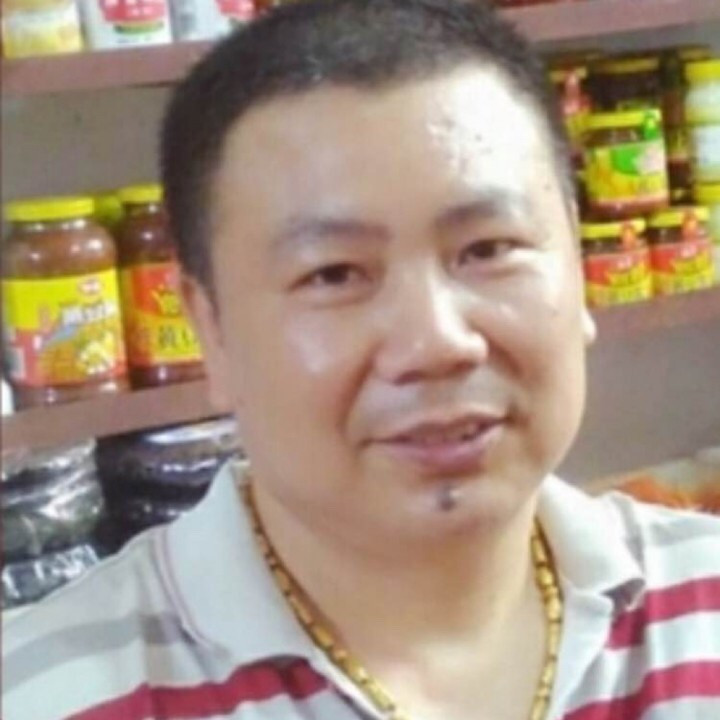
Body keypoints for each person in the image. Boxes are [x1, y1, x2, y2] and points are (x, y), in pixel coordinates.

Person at [3, 1, 720, 718]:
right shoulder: (47, 694)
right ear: (209, 329)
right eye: (334, 274)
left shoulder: (703, 604)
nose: (436, 342)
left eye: (488, 249)